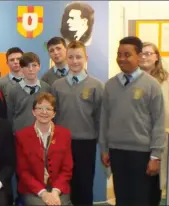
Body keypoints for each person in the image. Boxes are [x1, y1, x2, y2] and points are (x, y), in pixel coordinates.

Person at [99, 36, 165, 206]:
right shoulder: (110, 85)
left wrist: (155, 156)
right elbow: (104, 118)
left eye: (127, 54)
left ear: (138, 56)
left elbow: (159, 121)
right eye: (119, 54)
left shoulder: (151, 85)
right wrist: (104, 148)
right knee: (122, 198)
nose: (121, 58)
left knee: (141, 199)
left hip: (142, 154)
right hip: (116, 152)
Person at [51, 40, 103, 205]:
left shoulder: (96, 85)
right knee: (62, 185)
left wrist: (103, 146)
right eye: (71, 57)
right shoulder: (57, 85)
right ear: (66, 58)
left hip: (86, 143)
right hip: (61, 143)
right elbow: (52, 115)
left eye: (78, 57)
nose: (74, 61)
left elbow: (100, 117)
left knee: (84, 184)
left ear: (86, 58)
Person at [15, 93, 73, 206]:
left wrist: (55, 192)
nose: (44, 112)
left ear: (54, 113)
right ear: (33, 112)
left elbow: (67, 169)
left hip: (58, 188)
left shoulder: (64, 134)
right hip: (32, 189)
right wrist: (43, 193)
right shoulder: (21, 136)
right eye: (40, 108)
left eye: (48, 109)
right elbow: (23, 172)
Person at [139, 42, 169, 206]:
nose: (145, 56)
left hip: (160, 136)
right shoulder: (132, 79)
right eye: (142, 53)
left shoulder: (168, 79)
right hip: (138, 136)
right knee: (139, 177)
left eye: (149, 53)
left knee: (156, 177)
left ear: (156, 57)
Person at [8, 52, 51, 132]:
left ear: (39, 67)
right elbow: (10, 116)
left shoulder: (47, 88)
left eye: (34, 65)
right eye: (27, 66)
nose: (31, 69)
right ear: (21, 68)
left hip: (42, 134)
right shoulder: (14, 90)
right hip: (19, 134)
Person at [0, 47, 24, 114]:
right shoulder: (0, 83)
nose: (16, 62)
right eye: (12, 60)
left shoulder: (31, 81)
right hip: (7, 122)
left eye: (19, 59)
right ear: (7, 63)